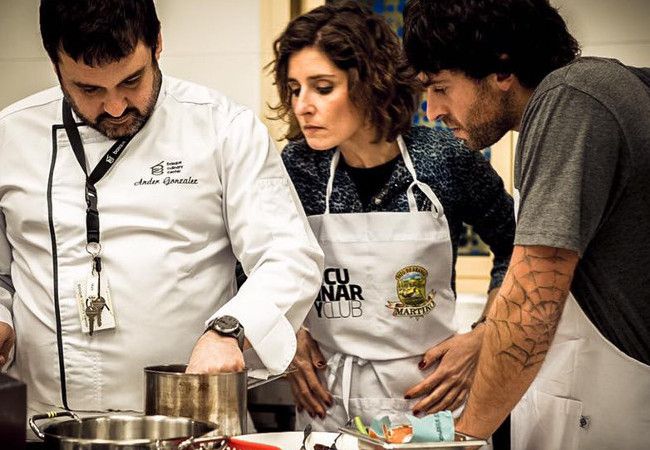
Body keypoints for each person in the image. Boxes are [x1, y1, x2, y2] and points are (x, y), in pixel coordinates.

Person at [0, 0, 324, 419]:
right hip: (45, 423)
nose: (115, 107)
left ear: (157, 43)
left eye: (132, 81)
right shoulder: (10, 137)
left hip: (189, 422)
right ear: (55, 64)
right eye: (89, 89)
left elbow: (289, 255)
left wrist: (230, 329)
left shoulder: (223, 128)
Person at [403, 0, 650, 448]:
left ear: (501, 70)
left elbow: (532, 299)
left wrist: (465, 439)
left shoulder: (572, 100)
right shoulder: (602, 90)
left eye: (440, 87)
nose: (433, 111)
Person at [270, 1, 515, 430]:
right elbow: (250, 258)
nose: (302, 106)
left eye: (322, 88)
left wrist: (484, 336)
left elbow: (517, 244)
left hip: (427, 393)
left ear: (370, 84)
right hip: (327, 398)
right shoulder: (297, 167)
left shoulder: (443, 158)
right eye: (294, 89)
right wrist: (290, 334)